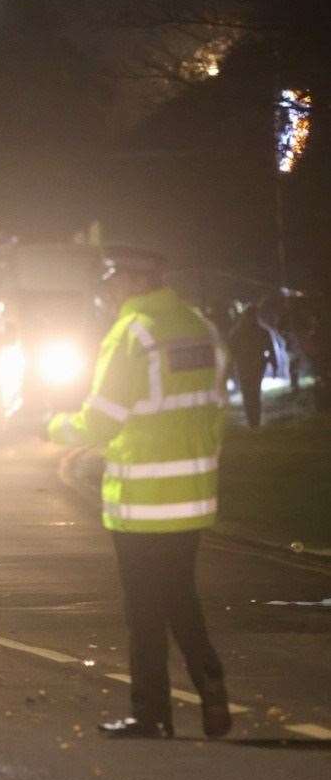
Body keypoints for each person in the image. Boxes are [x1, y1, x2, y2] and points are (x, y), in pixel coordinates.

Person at [46, 247, 231, 740]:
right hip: (193, 495)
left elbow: (100, 420)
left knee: (144, 610)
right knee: (179, 595)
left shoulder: (132, 335)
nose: (106, 294)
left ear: (130, 281)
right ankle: (209, 679)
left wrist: (54, 424)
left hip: (143, 499)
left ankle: (151, 714)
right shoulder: (202, 329)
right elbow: (216, 408)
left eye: (109, 283)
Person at [228, 303, 274, 427]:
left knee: (248, 391)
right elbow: (270, 350)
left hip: (245, 365)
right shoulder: (261, 331)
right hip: (255, 365)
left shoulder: (237, 332)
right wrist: (273, 364)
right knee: (254, 391)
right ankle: (254, 419)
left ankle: (252, 419)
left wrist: (229, 368)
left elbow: (230, 351)